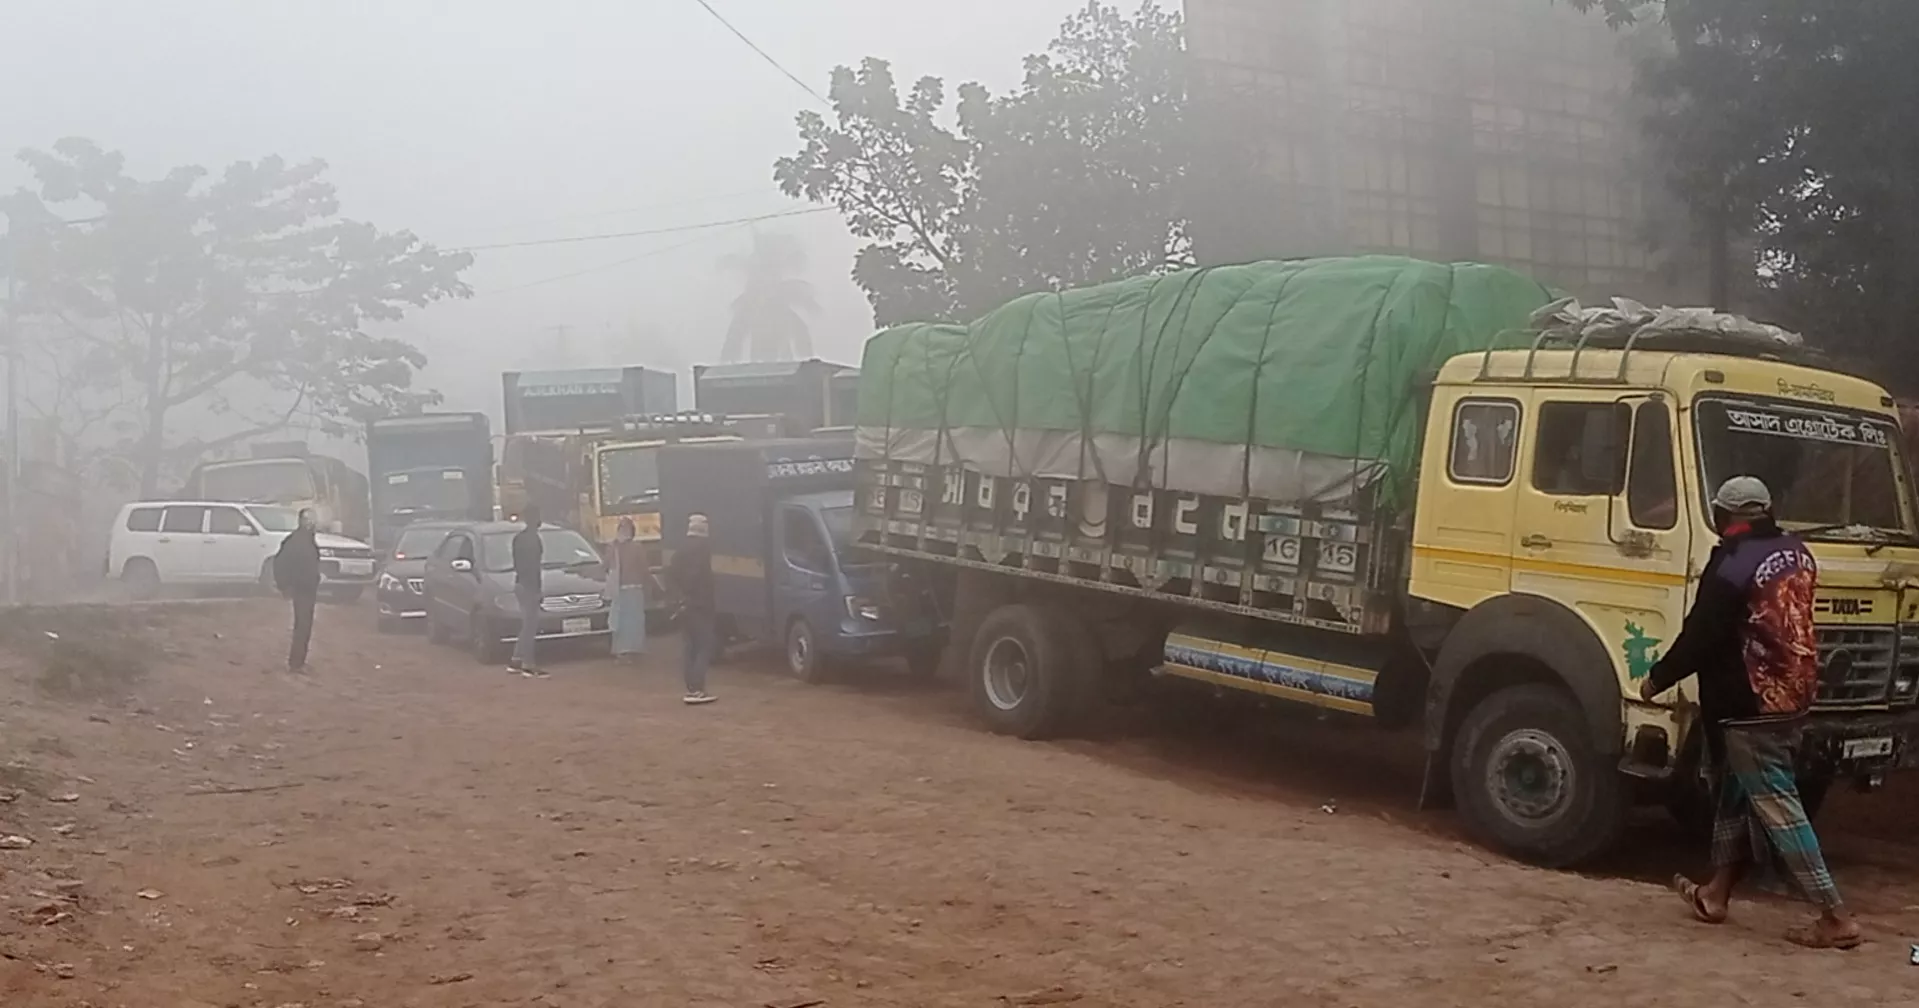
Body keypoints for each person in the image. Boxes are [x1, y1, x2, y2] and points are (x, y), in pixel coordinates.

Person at [1643, 476, 1861, 949]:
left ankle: (1834, 916)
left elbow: (1702, 636)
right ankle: (1716, 894)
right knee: (1736, 797)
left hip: (1750, 704)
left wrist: (1657, 678)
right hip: (1795, 694)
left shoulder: (1732, 563)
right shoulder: (1797, 550)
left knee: (1779, 807)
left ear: (1728, 516)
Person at [667, 512, 718, 705]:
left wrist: (679, 598)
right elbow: (701, 578)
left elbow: (670, 576)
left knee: (690, 647)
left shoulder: (680, 551)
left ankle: (691, 688)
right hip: (701, 605)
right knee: (705, 646)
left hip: (684, 606)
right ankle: (698, 689)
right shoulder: (703, 550)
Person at [271, 508, 322, 674]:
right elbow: (279, 564)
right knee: (302, 625)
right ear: (301, 521)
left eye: (313, 519)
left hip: (309, 588)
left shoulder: (309, 541)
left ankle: (300, 661)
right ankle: (295, 663)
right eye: (308, 520)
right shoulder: (294, 541)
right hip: (300, 589)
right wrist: (284, 586)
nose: (312, 523)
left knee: (306, 626)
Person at [510, 506, 548, 678]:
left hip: (520, 583)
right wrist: (537, 590)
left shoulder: (518, 539)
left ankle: (516, 660)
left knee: (526, 625)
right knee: (530, 627)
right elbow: (534, 568)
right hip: (529, 586)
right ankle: (528, 664)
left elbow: (519, 565)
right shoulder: (534, 540)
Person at [606, 516, 649, 662]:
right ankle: (625, 651)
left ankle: (629, 651)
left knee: (629, 622)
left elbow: (643, 569)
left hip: (631, 590)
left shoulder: (633, 548)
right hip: (623, 590)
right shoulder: (614, 548)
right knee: (623, 622)